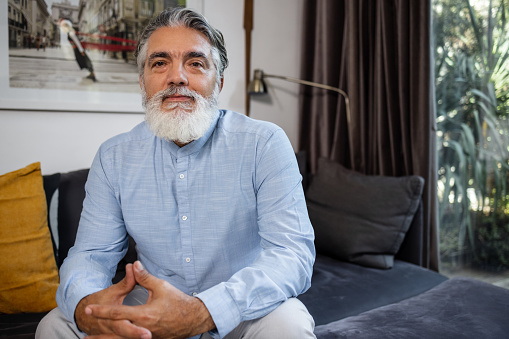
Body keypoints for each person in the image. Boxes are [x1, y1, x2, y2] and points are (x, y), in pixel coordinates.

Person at [36, 7, 315, 339]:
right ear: (143, 82)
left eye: (196, 63)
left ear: (219, 82)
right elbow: (91, 255)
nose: (177, 77)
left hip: (240, 307)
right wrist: (87, 307)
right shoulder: (114, 156)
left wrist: (203, 311)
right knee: (55, 325)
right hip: (149, 306)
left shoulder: (264, 143)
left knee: (289, 324)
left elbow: (291, 254)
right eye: (160, 63)